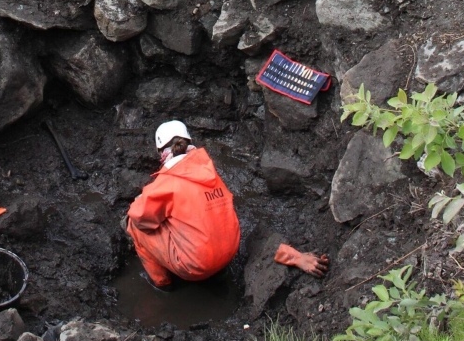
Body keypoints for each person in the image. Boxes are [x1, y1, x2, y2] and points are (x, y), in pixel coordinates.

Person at [124, 120, 329, 291]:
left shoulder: (164, 184)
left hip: (197, 266)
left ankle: (163, 284)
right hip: (230, 250)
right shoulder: (208, 170)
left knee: (134, 226)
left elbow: (140, 218)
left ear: (162, 151)